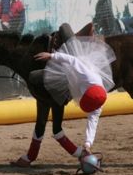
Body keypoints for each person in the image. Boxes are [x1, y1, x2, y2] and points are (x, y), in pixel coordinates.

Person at [12, 24, 116, 167]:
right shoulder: (88, 76)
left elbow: (93, 123)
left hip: (65, 77)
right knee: (64, 27)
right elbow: (73, 61)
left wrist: (87, 144)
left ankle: (32, 154)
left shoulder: (97, 103)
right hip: (75, 59)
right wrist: (52, 55)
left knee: (33, 77)